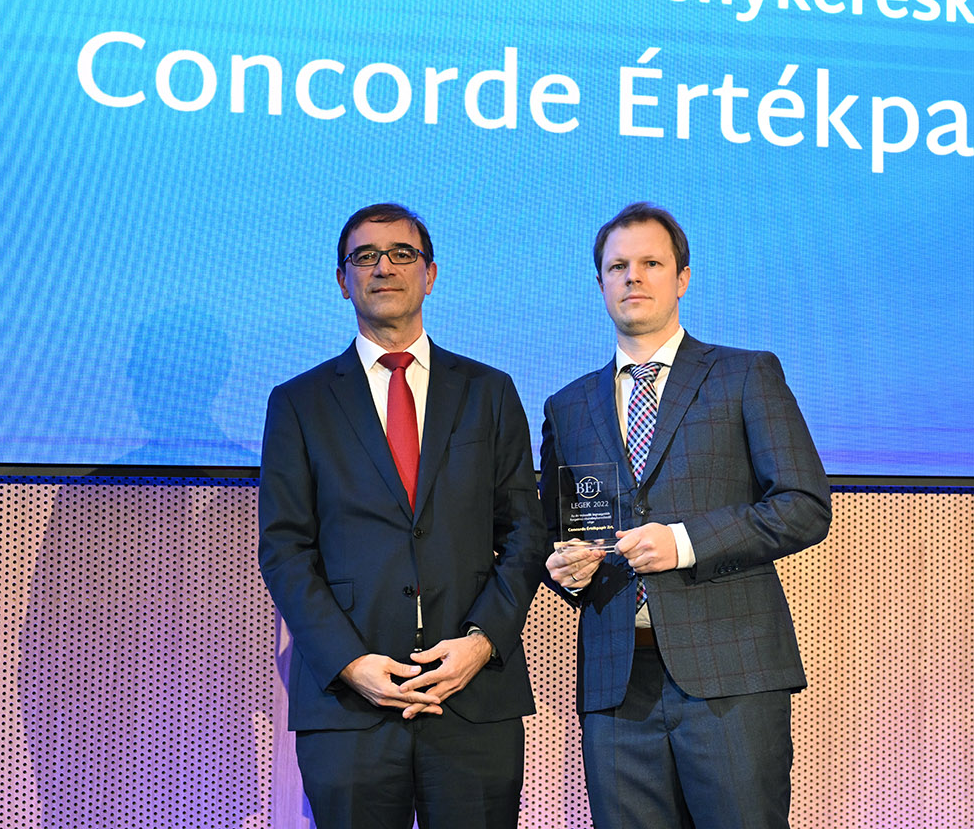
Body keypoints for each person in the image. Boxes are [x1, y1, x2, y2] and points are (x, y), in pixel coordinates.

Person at [540, 202, 831, 829]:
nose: (633, 276)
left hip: (732, 675)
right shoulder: (568, 405)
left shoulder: (744, 374)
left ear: (683, 278)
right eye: (617, 266)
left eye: (651, 263)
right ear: (600, 283)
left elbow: (803, 506)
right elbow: (558, 536)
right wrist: (563, 569)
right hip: (617, 684)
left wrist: (684, 541)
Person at [259, 202, 547, 829]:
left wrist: (481, 644)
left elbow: (527, 533)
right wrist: (349, 662)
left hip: (472, 696)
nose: (383, 267)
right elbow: (284, 549)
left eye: (400, 254)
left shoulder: (490, 392)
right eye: (364, 256)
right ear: (342, 281)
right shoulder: (299, 403)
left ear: (430, 274)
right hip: (349, 705)